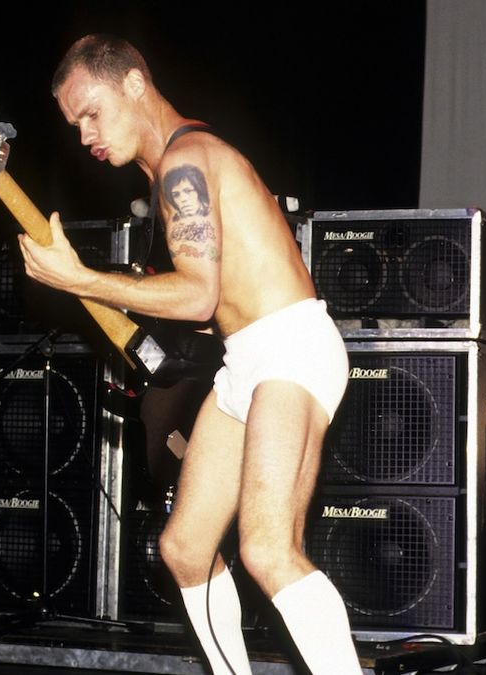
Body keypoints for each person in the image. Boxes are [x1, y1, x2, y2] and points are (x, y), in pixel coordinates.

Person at [20, 34, 361, 674]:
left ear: (132, 84)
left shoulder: (185, 161)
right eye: (73, 125)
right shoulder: (169, 170)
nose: (84, 135)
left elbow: (199, 294)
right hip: (247, 360)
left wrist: (79, 280)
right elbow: (213, 308)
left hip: (291, 347)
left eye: (91, 112)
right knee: (185, 549)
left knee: (267, 549)